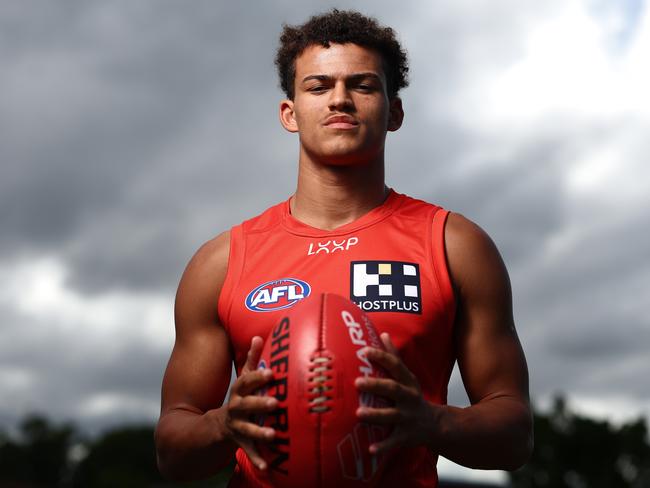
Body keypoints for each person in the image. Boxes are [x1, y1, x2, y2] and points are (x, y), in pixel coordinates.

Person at [154, 9, 533, 487]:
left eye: (363, 85)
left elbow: (516, 435)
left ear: (394, 111)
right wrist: (223, 424)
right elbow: (172, 452)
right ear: (289, 113)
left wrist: (432, 421)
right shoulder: (223, 261)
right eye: (317, 86)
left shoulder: (454, 245)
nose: (340, 99)